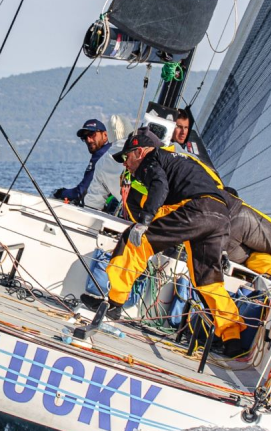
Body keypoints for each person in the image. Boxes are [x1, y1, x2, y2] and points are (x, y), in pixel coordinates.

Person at [86, 129, 245, 343]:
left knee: (134, 241)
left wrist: (144, 223)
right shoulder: (178, 159)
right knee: (207, 279)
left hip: (198, 209)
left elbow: (160, 185)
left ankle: (114, 305)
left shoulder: (151, 160)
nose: (125, 164)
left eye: (126, 157)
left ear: (140, 152)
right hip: (221, 214)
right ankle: (232, 336)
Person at [53, 119, 115, 207]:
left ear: (105, 135)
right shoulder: (112, 149)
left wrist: (59, 193)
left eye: (92, 135)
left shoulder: (100, 155)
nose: (88, 140)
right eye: (85, 138)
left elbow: (81, 191)